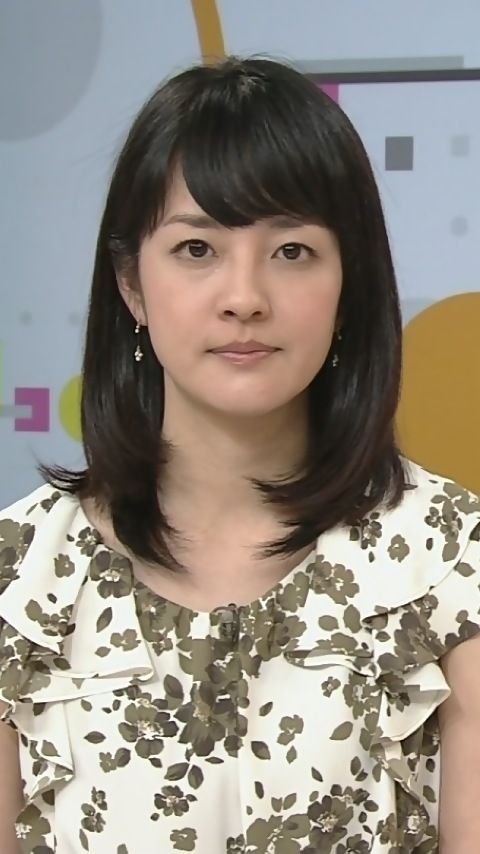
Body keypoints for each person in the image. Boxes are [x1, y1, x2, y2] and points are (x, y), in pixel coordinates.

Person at [0, 55, 479, 854]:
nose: (245, 297)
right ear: (130, 284)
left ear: (349, 284)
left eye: (291, 251)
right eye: (197, 249)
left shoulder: (453, 560)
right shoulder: (21, 576)